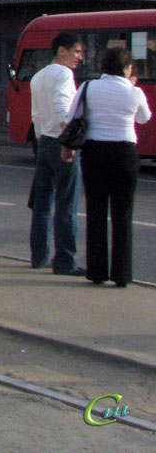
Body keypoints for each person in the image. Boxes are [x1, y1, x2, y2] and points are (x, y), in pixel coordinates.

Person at [68, 48, 151, 288]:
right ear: (127, 68)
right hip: (125, 152)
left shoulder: (88, 87)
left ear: (103, 66)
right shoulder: (134, 91)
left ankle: (96, 271)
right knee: (122, 214)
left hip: (94, 151)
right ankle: (122, 274)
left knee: (96, 211)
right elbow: (144, 118)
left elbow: (73, 113)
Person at [28, 31, 85, 275]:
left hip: (44, 143)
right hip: (61, 143)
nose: (79, 57)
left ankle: (39, 256)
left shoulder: (38, 76)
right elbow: (63, 107)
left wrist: (43, 138)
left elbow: (36, 115)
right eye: (76, 51)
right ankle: (64, 261)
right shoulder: (64, 73)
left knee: (42, 205)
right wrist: (68, 142)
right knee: (66, 204)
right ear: (62, 50)